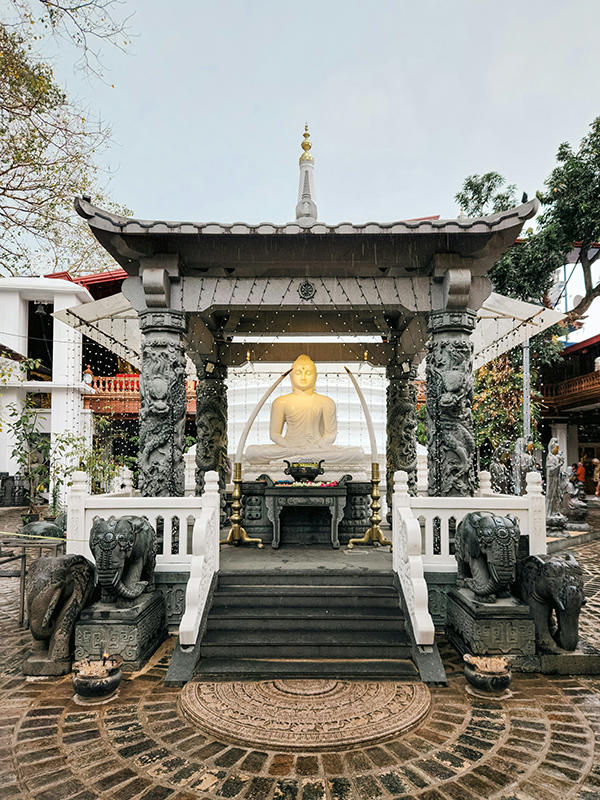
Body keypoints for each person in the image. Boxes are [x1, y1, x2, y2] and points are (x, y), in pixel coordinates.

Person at [245, 355, 365, 464]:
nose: (303, 377)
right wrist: (290, 447)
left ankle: (293, 460)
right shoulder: (281, 402)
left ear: (315, 376)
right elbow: (274, 434)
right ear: (291, 376)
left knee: (357, 452)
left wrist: (314, 447)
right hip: (289, 448)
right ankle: (303, 458)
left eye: (308, 373)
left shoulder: (326, 402)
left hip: (317, 449)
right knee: (252, 452)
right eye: (298, 373)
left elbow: (330, 434)